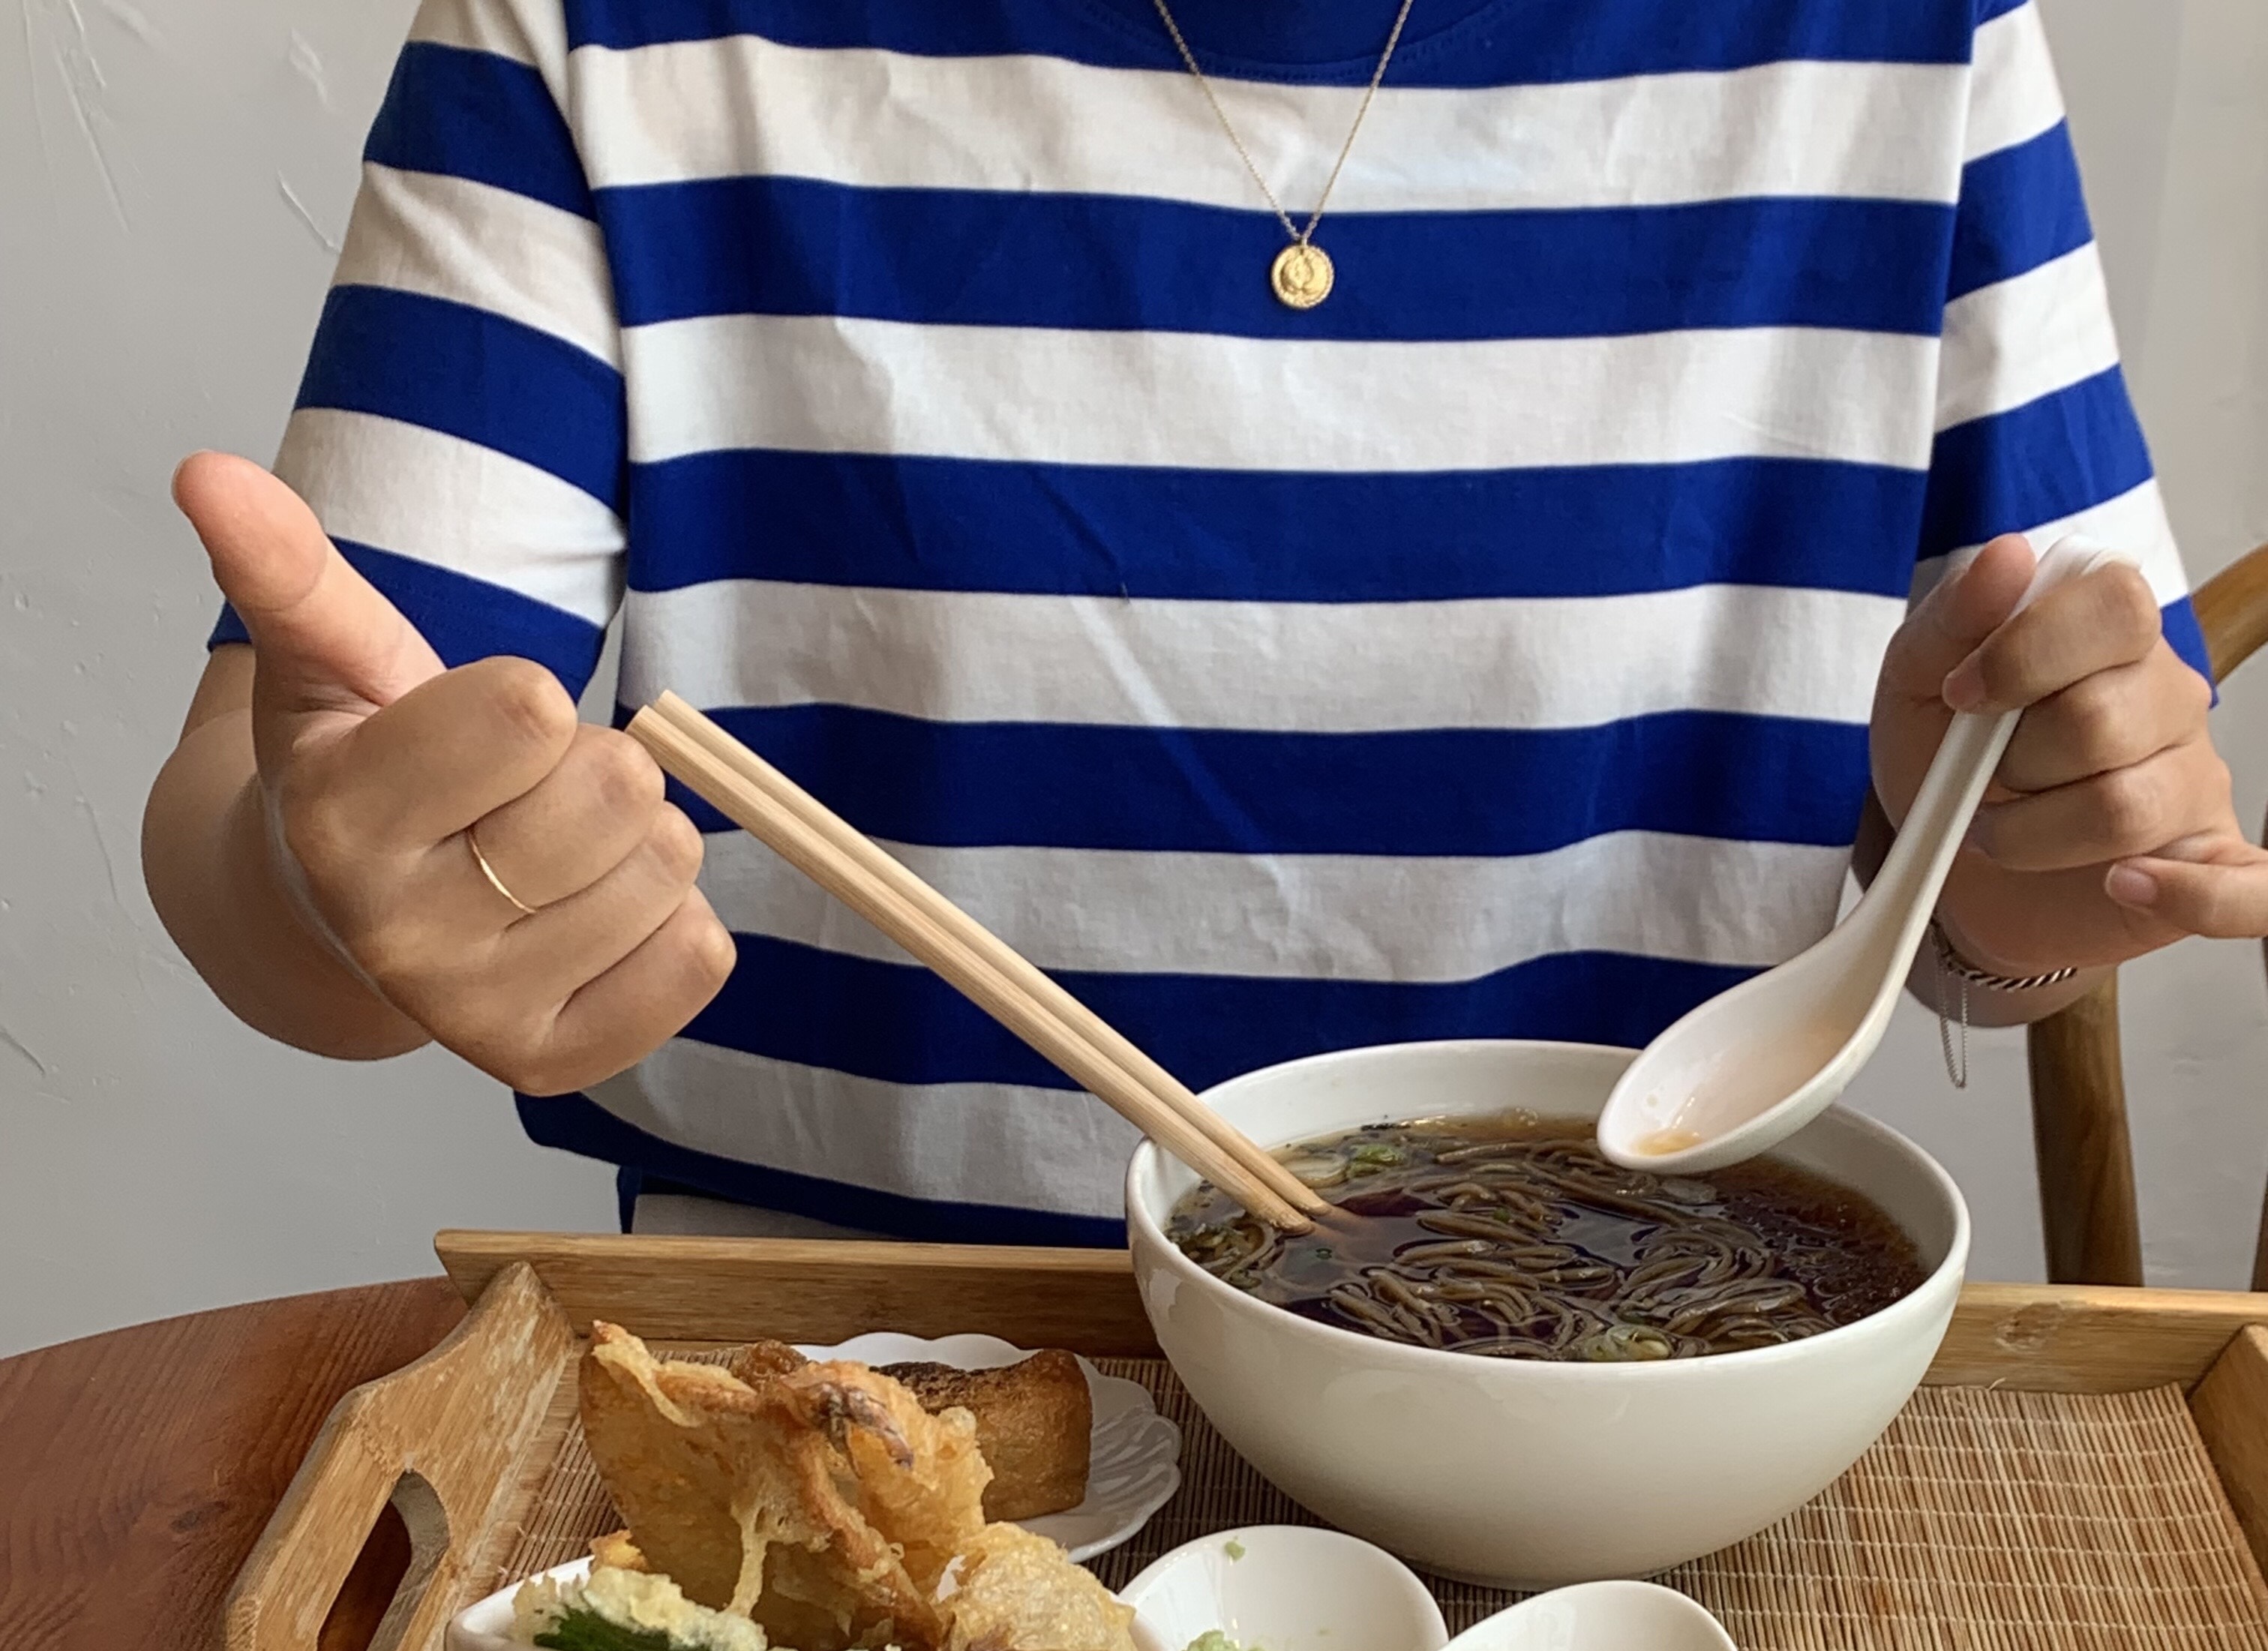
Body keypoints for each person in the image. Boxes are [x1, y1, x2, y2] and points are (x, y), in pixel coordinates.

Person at [146, 0, 2267, 1244]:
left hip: (1653, 1366)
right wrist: (355, 889)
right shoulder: (600, 28)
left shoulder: (1915, 37)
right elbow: (273, 821)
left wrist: (2003, 885)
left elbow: (2032, 881)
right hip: (844, 1377)